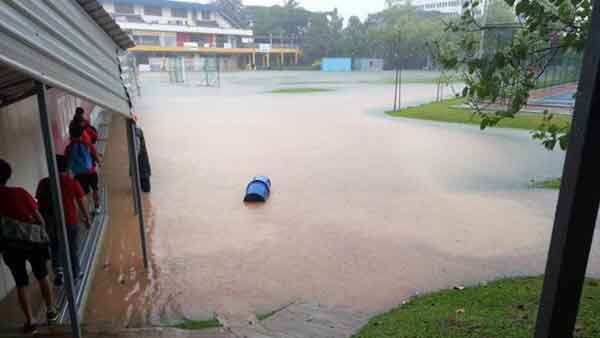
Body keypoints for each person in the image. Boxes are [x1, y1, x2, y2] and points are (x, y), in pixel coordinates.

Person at [0, 159, 59, 334]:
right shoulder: (19, 193)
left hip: (9, 245)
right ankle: (50, 311)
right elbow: (38, 217)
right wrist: (43, 234)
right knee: (42, 276)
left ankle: (30, 320)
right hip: (32, 242)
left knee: (21, 283)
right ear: (7, 175)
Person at [36, 155, 91, 287]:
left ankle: (59, 272)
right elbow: (82, 202)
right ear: (66, 167)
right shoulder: (71, 182)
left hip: (51, 223)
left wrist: (43, 223)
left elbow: (39, 205)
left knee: (55, 247)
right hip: (70, 221)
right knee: (72, 248)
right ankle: (76, 273)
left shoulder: (43, 183)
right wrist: (86, 218)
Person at [65, 125, 102, 213]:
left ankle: (87, 210)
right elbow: (95, 155)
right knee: (95, 189)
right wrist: (99, 162)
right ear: (81, 133)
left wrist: (68, 175)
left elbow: (68, 163)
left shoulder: (69, 147)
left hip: (79, 174)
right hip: (91, 171)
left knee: (84, 193)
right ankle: (97, 208)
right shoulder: (87, 144)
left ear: (71, 134)